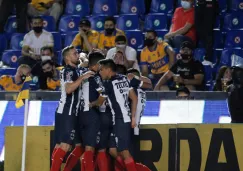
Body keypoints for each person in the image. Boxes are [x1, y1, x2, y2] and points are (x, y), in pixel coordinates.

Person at [50, 46, 94, 171]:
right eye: (74, 53)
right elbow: (69, 89)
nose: (77, 55)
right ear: (67, 58)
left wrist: (85, 57)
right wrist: (82, 78)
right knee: (64, 146)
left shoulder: (75, 69)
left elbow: (84, 62)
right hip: (67, 111)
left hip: (67, 112)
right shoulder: (68, 71)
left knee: (65, 146)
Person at [98, 59, 138, 171]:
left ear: (108, 70)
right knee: (112, 150)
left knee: (124, 151)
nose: (100, 72)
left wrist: (91, 103)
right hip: (121, 119)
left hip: (121, 119)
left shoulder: (108, 83)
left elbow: (100, 101)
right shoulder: (124, 78)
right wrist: (133, 117)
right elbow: (134, 98)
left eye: (101, 69)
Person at [79, 51, 108, 171]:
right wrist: (94, 104)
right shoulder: (96, 77)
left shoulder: (80, 72)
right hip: (92, 116)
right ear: (97, 65)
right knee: (90, 149)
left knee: (83, 149)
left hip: (79, 114)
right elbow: (102, 97)